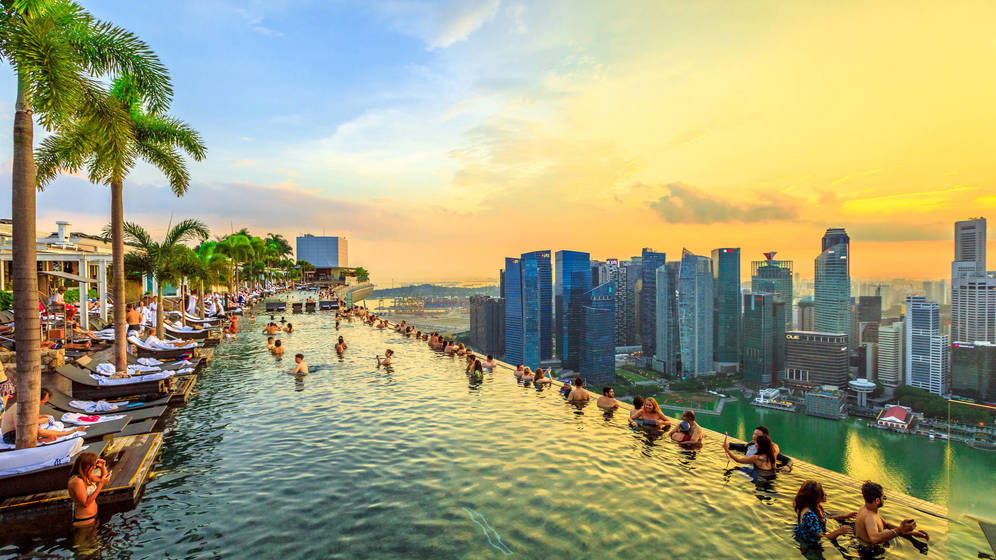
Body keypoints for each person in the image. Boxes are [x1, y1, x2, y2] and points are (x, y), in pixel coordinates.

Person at [854, 481, 928, 547]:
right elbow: (874, 538)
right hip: (868, 554)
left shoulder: (867, 509)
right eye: (883, 497)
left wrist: (913, 533)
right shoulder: (870, 517)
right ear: (877, 500)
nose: (884, 500)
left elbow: (886, 525)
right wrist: (899, 530)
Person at [2, 388, 84, 444]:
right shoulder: (22, 406)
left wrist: (44, 418)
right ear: (38, 399)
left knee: (46, 418)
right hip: (10, 435)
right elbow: (21, 427)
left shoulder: (30, 405)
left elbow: (31, 419)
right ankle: (69, 432)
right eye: (43, 402)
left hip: (20, 430)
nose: (43, 404)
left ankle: (42, 439)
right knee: (39, 430)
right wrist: (40, 421)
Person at [792, 480, 855, 547]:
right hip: (810, 546)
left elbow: (825, 517)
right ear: (815, 497)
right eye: (821, 493)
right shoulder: (809, 515)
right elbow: (821, 538)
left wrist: (845, 516)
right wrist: (838, 532)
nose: (825, 494)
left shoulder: (815, 507)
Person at [68, 452, 110, 527]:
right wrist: (100, 485)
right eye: (92, 466)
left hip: (92, 517)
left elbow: (103, 478)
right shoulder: (77, 481)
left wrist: (102, 467)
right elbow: (85, 503)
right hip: (85, 520)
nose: (94, 468)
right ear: (86, 466)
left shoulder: (85, 477)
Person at [726, 425, 794, 472]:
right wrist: (729, 445)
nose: (754, 436)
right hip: (747, 470)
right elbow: (741, 447)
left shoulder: (770, 451)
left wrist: (788, 466)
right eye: (754, 434)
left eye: (757, 435)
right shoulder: (751, 445)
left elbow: (788, 460)